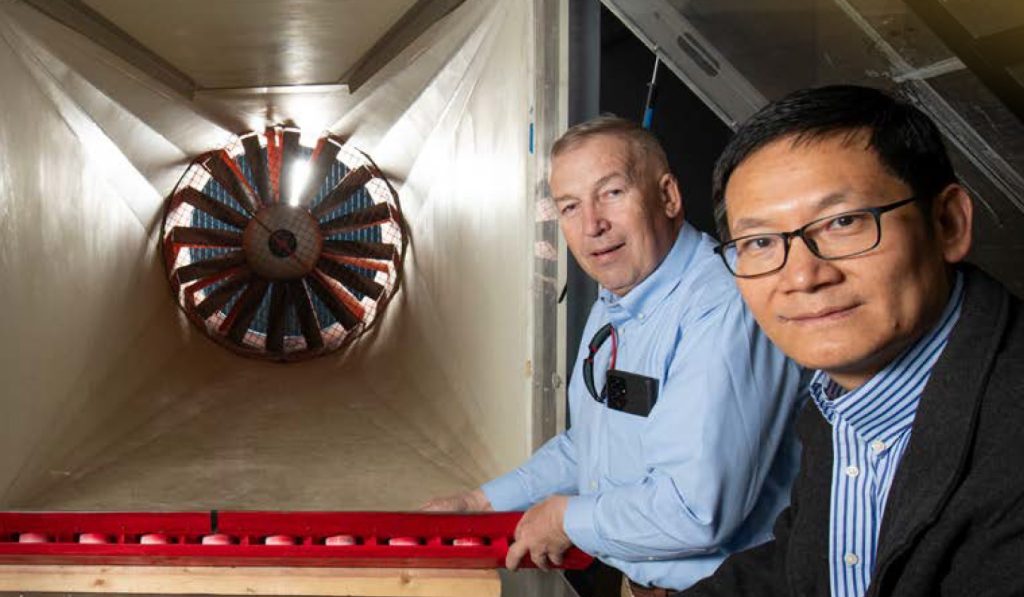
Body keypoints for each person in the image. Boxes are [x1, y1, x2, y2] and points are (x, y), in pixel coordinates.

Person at [424, 116, 805, 594]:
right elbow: (590, 444)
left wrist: (565, 518)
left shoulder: (725, 308)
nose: (592, 226)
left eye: (612, 193)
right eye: (569, 206)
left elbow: (694, 511)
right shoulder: (618, 298)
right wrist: (480, 504)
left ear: (667, 196)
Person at [683, 85, 1024, 597]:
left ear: (948, 223)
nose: (802, 276)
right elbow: (805, 566)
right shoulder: (840, 397)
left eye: (843, 222)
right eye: (758, 242)